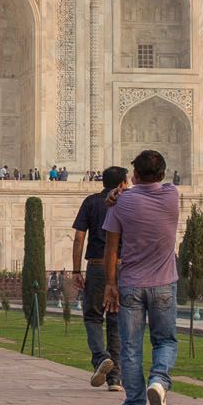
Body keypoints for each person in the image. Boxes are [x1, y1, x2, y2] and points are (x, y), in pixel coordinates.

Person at [102, 149, 181, 405]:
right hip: (163, 285)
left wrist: (110, 284)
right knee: (166, 341)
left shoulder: (120, 203)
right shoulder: (173, 196)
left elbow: (111, 247)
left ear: (133, 176)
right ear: (162, 174)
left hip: (131, 284)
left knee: (131, 347)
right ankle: (159, 381)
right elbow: (164, 183)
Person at [71, 166, 129, 391]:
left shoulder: (91, 202)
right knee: (116, 321)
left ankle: (100, 357)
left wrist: (76, 271)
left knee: (93, 317)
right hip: (121, 267)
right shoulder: (126, 203)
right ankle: (115, 379)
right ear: (122, 184)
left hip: (96, 265)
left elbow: (78, 237)